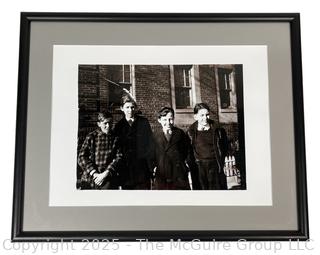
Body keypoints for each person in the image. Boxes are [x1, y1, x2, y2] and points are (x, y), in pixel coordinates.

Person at [114, 94, 154, 189]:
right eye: (127, 107)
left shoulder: (143, 122)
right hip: (126, 172)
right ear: (122, 108)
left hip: (142, 170)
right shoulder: (119, 126)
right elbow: (117, 150)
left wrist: (150, 167)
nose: (130, 110)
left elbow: (150, 145)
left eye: (132, 107)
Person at [187, 103, 228, 190]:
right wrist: (193, 166)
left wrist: (221, 162)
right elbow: (188, 152)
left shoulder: (218, 130)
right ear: (195, 117)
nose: (205, 118)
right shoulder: (190, 132)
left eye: (207, 115)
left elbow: (225, 147)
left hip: (215, 166)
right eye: (202, 115)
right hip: (199, 168)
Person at [78, 111, 122, 189]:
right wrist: (94, 173)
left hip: (108, 178)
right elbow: (81, 157)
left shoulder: (116, 138)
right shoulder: (91, 137)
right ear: (99, 124)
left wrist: (106, 173)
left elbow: (119, 157)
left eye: (110, 123)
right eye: (105, 123)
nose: (108, 126)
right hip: (90, 178)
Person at [153, 107, 193, 190]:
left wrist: (185, 165)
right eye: (164, 120)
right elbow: (151, 154)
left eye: (170, 119)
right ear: (159, 120)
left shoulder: (180, 133)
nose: (168, 123)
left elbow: (187, 151)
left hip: (178, 173)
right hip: (162, 173)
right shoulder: (155, 136)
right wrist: (153, 167)